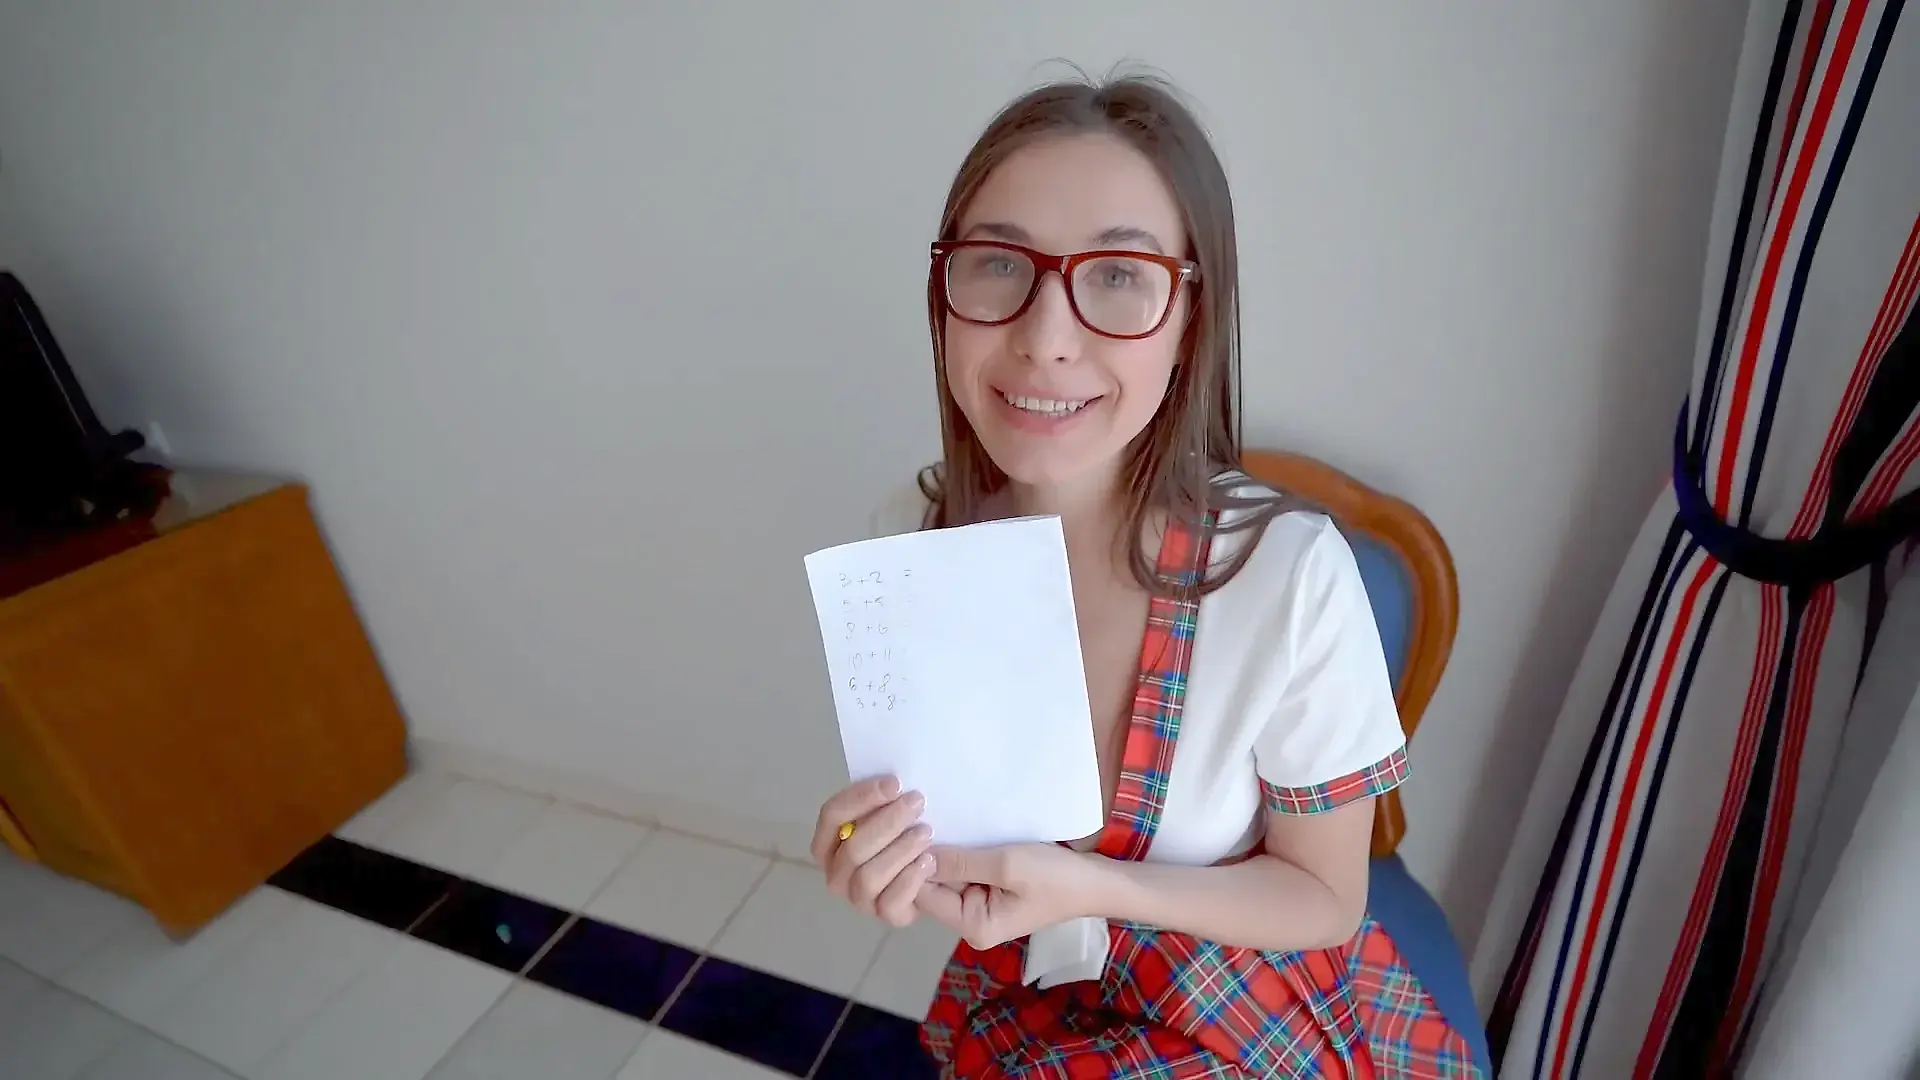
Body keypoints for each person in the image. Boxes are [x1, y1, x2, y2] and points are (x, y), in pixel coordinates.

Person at [810, 73, 1483, 1079]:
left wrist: (1092, 891)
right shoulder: (911, 543)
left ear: (1189, 318)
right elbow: (942, 831)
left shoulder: (1289, 577)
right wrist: (879, 853)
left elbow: (1325, 898)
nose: (1046, 339)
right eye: (999, 263)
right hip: (1031, 988)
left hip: (1242, 1001)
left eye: (1119, 275)